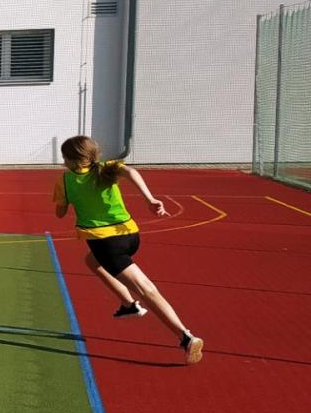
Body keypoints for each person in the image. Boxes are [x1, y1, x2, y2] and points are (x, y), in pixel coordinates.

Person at [53, 135, 202, 363]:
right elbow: (131, 172)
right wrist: (150, 199)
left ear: (73, 160)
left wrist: (67, 201)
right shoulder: (106, 168)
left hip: (106, 243)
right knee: (92, 261)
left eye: (64, 157)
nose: (63, 161)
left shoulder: (65, 180)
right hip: (130, 235)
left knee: (146, 289)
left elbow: (60, 213)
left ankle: (186, 336)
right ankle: (128, 304)